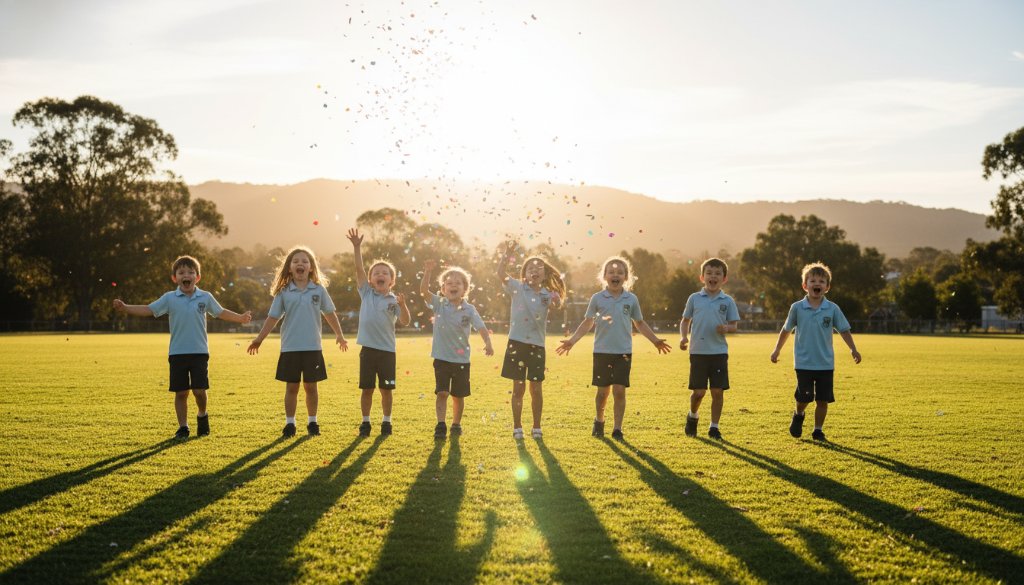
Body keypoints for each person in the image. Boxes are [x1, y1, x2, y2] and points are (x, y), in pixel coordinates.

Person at [113, 255, 252, 439]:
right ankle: (183, 427)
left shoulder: (205, 297)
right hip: (177, 353)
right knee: (181, 393)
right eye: (181, 272)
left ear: (198, 277)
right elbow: (149, 309)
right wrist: (125, 307)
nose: (186, 275)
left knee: (199, 391)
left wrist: (240, 318)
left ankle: (202, 415)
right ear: (175, 278)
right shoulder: (170, 298)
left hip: (200, 352)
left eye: (190, 272)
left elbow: (220, 312)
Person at [557, 256, 671, 440]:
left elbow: (640, 323)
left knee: (619, 391)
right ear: (604, 276)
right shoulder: (597, 298)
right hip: (602, 352)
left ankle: (617, 428)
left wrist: (655, 340)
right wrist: (572, 340)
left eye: (619, 272)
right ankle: (599, 420)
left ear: (626, 277)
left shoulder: (631, 299)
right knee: (602, 392)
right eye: (611, 272)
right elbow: (587, 323)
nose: (615, 275)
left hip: (623, 352)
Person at [247, 246, 348, 437]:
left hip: (313, 347)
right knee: (291, 387)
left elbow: (330, 314)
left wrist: (340, 335)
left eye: (304, 261)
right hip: (290, 347)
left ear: (311, 267)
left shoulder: (318, 289)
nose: (300, 264)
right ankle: (290, 424)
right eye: (296, 261)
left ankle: (312, 423)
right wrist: (259, 339)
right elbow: (272, 317)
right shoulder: (284, 291)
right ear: (289, 268)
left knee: (311, 387)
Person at [770, 262, 862, 442]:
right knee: (804, 397)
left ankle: (818, 430)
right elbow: (786, 329)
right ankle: (798, 414)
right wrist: (776, 350)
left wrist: (853, 348)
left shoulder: (832, 308)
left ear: (827, 287)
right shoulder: (797, 307)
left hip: (825, 363)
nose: (816, 283)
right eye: (812, 280)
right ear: (805, 285)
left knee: (822, 400)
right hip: (804, 362)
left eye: (821, 281)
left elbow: (843, 330)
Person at [346, 228, 411, 436]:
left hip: (387, 352)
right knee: (367, 389)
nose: (380, 275)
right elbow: (359, 269)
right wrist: (357, 247)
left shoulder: (394, 301)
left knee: (386, 390)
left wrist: (404, 305)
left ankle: (386, 421)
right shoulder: (366, 293)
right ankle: (365, 422)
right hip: (368, 350)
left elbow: (405, 321)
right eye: (376, 273)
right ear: (371, 279)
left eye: (385, 273)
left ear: (391, 281)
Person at [420, 259, 494, 440]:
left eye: (457, 283)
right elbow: (423, 292)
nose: (453, 286)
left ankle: (456, 424)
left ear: (465, 289)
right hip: (441, 358)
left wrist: (488, 342)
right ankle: (440, 424)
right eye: (449, 283)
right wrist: (428, 272)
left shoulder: (469, 309)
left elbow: (481, 327)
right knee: (442, 392)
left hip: (461, 360)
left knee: (458, 395)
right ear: (443, 289)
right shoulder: (440, 304)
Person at [498, 242, 565, 440]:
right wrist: (506, 255)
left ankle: (536, 426)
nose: (534, 270)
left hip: (537, 346)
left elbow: (558, 303)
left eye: (539, 268)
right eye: (530, 268)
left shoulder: (546, 294)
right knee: (518, 388)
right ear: (524, 273)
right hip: (516, 344)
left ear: (544, 275)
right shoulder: (517, 288)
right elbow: (500, 272)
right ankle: (517, 426)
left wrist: (556, 300)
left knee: (536, 388)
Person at [680, 258, 740, 440]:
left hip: (719, 352)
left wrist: (726, 329)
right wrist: (684, 337)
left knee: (717, 392)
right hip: (698, 352)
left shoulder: (727, 301)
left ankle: (714, 427)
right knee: (698, 393)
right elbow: (685, 321)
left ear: (724, 279)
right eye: (709, 273)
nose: (713, 277)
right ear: (702, 277)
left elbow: (734, 325)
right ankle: (693, 416)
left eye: (717, 274)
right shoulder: (694, 299)